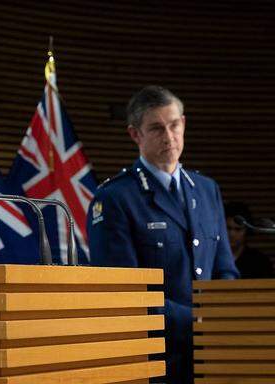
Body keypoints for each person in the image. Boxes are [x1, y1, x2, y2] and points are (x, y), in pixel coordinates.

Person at [87, 85, 239, 384]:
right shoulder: (116, 197)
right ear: (135, 135)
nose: (169, 137)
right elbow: (123, 293)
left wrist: (225, 316)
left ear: (184, 123)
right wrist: (197, 321)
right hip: (153, 359)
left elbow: (225, 270)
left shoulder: (207, 190)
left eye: (174, 125)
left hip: (215, 357)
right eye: (156, 128)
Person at [225, 202, 274, 278]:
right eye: (228, 228)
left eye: (238, 229)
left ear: (247, 231)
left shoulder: (259, 261)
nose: (232, 234)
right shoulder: (214, 259)